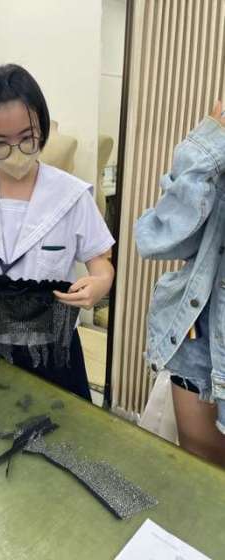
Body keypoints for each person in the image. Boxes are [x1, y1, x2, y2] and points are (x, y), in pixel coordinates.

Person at [0, 64, 115, 401]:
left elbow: (102, 264)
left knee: (65, 428)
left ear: (42, 127)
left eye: (27, 138)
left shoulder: (71, 196)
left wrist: (100, 283)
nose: (16, 153)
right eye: (0, 143)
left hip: (55, 352)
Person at [135, 101, 225, 467]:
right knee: (198, 473)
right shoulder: (218, 146)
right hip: (201, 347)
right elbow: (161, 240)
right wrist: (206, 147)